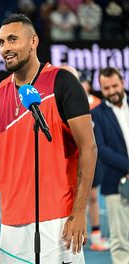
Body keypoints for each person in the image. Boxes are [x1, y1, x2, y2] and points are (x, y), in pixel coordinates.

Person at [0, 14, 97, 264]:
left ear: (34, 41)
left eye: (12, 40)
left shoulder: (62, 82)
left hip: (59, 220)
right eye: (1, 42)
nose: (6, 48)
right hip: (12, 224)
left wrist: (79, 211)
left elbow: (89, 148)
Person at [61, 65, 110, 251]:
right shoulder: (63, 101)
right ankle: (68, 236)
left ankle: (96, 235)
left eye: (84, 81)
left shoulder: (97, 104)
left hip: (90, 156)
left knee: (94, 196)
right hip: (68, 159)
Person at [91, 67, 129, 264]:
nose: (112, 91)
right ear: (101, 89)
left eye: (115, 85)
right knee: (120, 242)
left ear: (122, 82)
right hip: (116, 184)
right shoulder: (96, 114)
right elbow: (101, 149)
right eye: (106, 88)